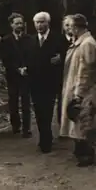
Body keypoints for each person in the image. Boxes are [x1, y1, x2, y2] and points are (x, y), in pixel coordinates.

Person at [60, 14, 96, 167]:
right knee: (77, 123)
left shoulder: (87, 44)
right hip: (74, 85)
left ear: (77, 27)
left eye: (71, 26)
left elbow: (87, 71)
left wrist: (79, 93)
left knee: (82, 121)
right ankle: (80, 151)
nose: (69, 29)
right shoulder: (79, 42)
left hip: (82, 90)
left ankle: (86, 154)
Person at [27, 11, 64, 153]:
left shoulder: (57, 39)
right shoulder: (30, 41)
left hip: (50, 81)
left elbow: (65, 55)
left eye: (42, 22)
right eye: (37, 22)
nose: (39, 25)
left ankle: (46, 139)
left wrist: (59, 59)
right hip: (35, 82)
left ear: (48, 23)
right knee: (38, 111)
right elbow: (28, 59)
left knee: (48, 110)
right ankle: (43, 136)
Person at [0, 13, 32, 137]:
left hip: (26, 74)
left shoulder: (28, 39)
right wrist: (17, 69)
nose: (19, 25)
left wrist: (26, 67)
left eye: (21, 23)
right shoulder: (6, 40)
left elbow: (31, 55)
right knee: (13, 101)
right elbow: (5, 58)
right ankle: (15, 126)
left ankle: (26, 128)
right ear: (11, 25)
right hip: (12, 74)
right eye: (17, 23)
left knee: (26, 102)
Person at [56, 15, 75, 127]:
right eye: (67, 25)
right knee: (62, 100)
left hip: (76, 74)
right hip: (62, 74)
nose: (69, 28)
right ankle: (62, 124)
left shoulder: (80, 40)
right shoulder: (59, 41)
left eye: (71, 25)